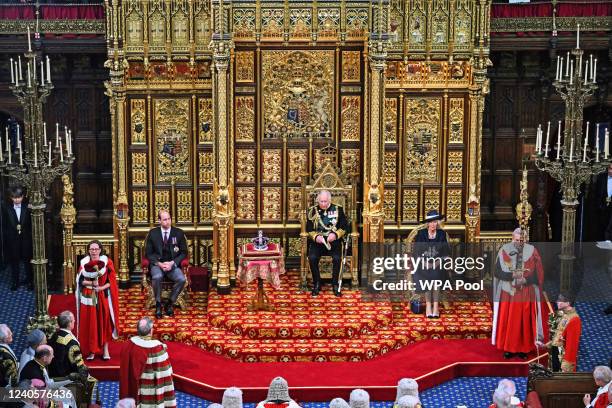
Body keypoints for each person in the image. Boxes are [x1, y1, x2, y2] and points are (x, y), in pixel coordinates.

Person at [492, 228, 548, 359]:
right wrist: (512, 275)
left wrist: (526, 279)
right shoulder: (504, 250)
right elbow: (497, 272)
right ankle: (509, 348)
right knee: (508, 321)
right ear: (512, 238)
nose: (518, 243)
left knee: (524, 322)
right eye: (516, 240)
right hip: (508, 293)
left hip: (526, 292)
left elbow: (538, 275)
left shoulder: (533, 252)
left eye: (521, 240)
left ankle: (524, 348)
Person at [76, 239, 121, 360]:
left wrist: (100, 287)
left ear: (100, 250)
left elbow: (111, 283)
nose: (94, 251)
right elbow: (80, 281)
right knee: (91, 323)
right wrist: (91, 284)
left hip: (102, 296)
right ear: (88, 251)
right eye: (91, 249)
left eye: (96, 249)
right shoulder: (84, 263)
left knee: (104, 322)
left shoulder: (107, 262)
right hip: (88, 298)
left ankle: (105, 350)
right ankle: (92, 351)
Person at [120, 317, 177, 407]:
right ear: (151, 331)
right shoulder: (158, 348)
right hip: (153, 392)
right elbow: (166, 374)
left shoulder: (128, 346)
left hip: (136, 389)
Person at [145, 210, 188, 318]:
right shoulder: (153, 233)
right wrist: (159, 264)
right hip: (157, 265)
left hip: (172, 264)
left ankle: (170, 303)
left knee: (181, 279)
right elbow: (148, 254)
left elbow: (184, 252)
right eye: (165, 219)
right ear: (159, 220)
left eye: (169, 219)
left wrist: (172, 263)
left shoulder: (178, 233)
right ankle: (158, 304)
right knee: (157, 276)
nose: (168, 222)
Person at [306, 190, 349, 297]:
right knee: (312, 257)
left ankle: (335, 284)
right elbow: (309, 229)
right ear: (317, 200)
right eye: (321, 201)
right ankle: (317, 283)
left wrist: (335, 235)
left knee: (337, 258)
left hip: (333, 241)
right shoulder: (312, 211)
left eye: (325, 201)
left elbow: (344, 227)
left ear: (330, 200)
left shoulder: (338, 209)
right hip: (319, 242)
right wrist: (316, 237)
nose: (323, 204)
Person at [413, 210, 450, 318]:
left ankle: (436, 306)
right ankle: (429, 305)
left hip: (438, 264)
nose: (433, 224)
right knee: (427, 277)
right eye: (431, 222)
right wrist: (424, 263)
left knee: (436, 276)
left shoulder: (442, 234)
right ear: (427, 223)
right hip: (423, 264)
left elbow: (446, 253)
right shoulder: (421, 234)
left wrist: (437, 263)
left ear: (437, 223)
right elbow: (417, 251)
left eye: (435, 222)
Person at [536, 293, 582, 372]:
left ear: (568, 303)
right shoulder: (562, 314)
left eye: (560, 300)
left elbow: (572, 345)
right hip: (555, 353)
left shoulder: (575, 319)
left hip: (563, 359)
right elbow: (558, 337)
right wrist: (545, 345)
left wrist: (567, 366)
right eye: (558, 300)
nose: (557, 302)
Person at [2, 186, 33, 291]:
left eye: (18, 197)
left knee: (27, 260)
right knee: (14, 261)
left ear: (22, 197)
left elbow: (30, 225)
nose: (16, 199)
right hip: (13, 240)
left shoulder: (28, 207)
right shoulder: (6, 208)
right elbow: (5, 225)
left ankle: (30, 281)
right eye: (14, 197)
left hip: (26, 239)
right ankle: (15, 282)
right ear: (11, 198)